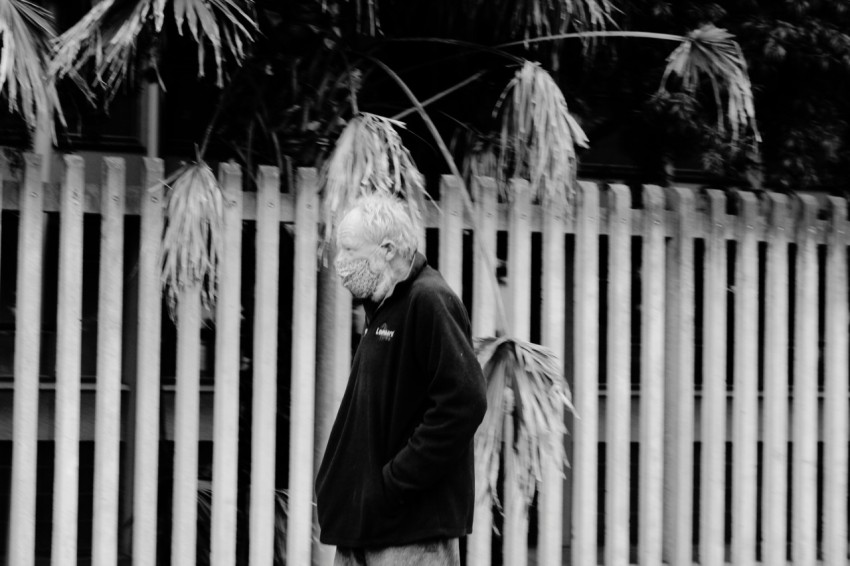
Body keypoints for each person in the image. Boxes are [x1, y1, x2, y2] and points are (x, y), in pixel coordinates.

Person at [315, 193, 488, 566]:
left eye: (348, 250)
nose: (339, 263)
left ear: (387, 249)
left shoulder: (429, 300)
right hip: (367, 527)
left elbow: (465, 402)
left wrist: (394, 483)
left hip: (410, 534)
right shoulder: (383, 304)